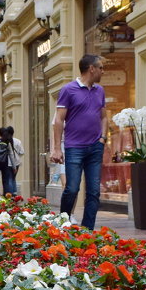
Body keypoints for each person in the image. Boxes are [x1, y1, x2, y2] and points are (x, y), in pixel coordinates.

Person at [52, 53, 111, 229]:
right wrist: (56, 148)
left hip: (95, 147)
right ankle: (63, 223)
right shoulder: (68, 90)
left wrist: (102, 139)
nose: (103, 71)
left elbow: (104, 117)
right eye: (100, 67)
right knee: (71, 188)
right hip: (74, 147)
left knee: (94, 192)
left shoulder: (99, 90)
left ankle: (87, 231)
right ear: (91, 69)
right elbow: (58, 120)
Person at [0, 126, 25, 195]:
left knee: (8, 179)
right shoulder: (17, 141)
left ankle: (8, 193)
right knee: (12, 178)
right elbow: (22, 152)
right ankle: (13, 193)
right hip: (16, 162)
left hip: (6, 162)